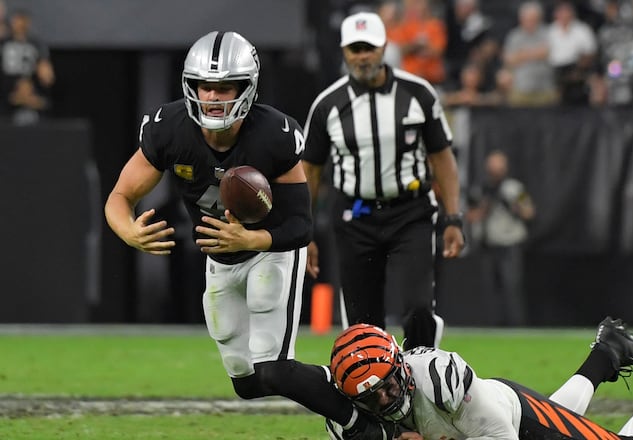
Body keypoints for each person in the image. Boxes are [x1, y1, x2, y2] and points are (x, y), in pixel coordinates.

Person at [104, 31, 383, 439]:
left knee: (275, 368)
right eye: (206, 86)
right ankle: (339, 384)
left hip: (270, 250)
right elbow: (120, 194)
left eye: (225, 87)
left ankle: (362, 425)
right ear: (190, 86)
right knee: (248, 382)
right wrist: (127, 230)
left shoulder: (274, 133)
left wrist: (252, 240)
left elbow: (301, 226)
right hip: (220, 255)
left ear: (247, 88)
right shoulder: (169, 128)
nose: (214, 97)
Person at [302, 12, 464, 351]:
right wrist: (305, 233)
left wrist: (453, 217)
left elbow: (443, 158)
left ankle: (421, 384)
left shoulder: (418, 94)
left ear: (384, 48)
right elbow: (310, 170)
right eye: (355, 49)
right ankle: (373, 398)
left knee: (419, 309)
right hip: (354, 216)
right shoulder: (327, 105)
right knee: (363, 325)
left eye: (369, 48)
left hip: (410, 212)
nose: (362, 56)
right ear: (344, 51)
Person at [326, 318, 633, 440]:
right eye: (372, 397)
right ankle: (606, 354)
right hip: (499, 418)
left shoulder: (442, 380)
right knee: (561, 413)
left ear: (402, 366)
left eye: (387, 385)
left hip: (510, 422)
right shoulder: (347, 421)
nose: (384, 399)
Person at [466, 150, 535, 326]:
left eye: (498, 166)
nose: (495, 170)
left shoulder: (514, 188)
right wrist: (484, 207)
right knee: (489, 288)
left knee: (511, 286)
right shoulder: (480, 189)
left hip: (509, 244)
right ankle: (491, 325)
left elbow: (529, 212)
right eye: (492, 166)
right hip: (488, 245)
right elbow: (470, 216)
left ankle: (516, 325)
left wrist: (512, 205)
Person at [501, 1, 558, 107]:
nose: (529, 23)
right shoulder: (514, 36)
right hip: (521, 90)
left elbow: (548, 52)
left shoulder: (548, 32)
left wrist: (522, 55)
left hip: (545, 89)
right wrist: (536, 53)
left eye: (533, 20)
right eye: (526, 20)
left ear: (539, 19)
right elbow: (509, 60)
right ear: (521, 19)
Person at [0, 9, 55, 116]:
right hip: (6, 87)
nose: (20, 24)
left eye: (23, 20)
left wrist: (44, 73)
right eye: (17, 20)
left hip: (30, 84)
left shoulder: (36, 44)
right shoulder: (4, 43)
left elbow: (46, 72)